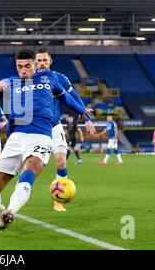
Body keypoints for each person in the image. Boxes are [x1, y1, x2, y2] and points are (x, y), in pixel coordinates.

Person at [0, 48, 93, 231]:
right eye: (19, 67)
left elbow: (67, 99)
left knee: (28, 171)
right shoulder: (11, 83)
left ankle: (11, 212)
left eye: (27, 66)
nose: (23, 70)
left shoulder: (49, 79)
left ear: (35, 65)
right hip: (16, 138)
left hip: (41, 136)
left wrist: (82, 111)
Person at [34, 48, 95, 212]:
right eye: (38, 61)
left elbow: (74, 97)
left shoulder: (59, 79)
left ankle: (58, 200)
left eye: (44, 60)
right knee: (31, 166)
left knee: (61, 160)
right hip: (35, 130)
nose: (41, 64)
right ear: (34, 62)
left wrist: (86, 119)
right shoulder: (28, 80)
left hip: (54, 126)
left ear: (50, 61)